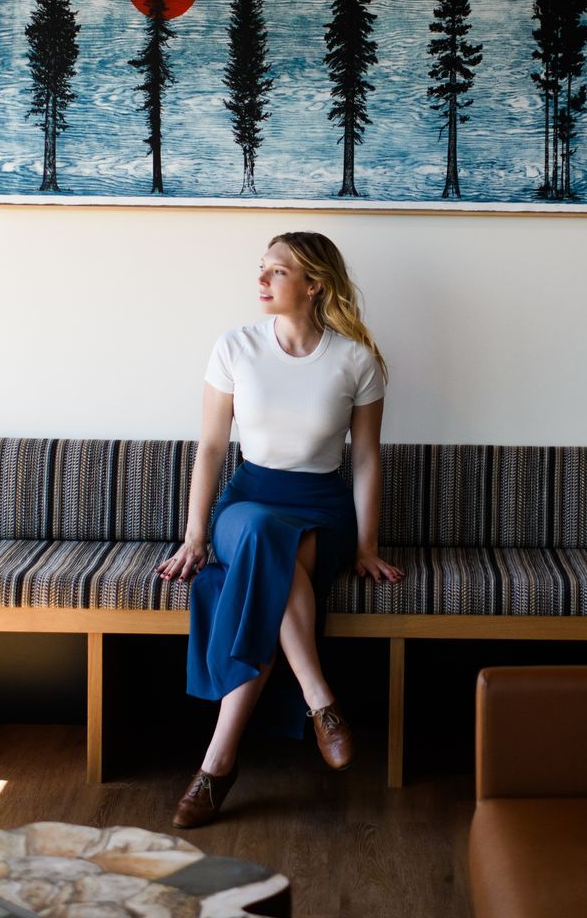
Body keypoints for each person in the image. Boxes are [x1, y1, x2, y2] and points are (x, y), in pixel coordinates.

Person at [155, 230, 405, 828]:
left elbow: (366, 458)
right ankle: (321, 700)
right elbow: (213, 447)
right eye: (261, 269)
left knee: (270, 568)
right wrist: (195, 535)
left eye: (277, 271)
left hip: (321, 509)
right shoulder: (235, 347)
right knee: (265, 536)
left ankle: (217, 764)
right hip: (247, 503)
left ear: (314, 284)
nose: (262, 280)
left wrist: (366, 544)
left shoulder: (356, 360)